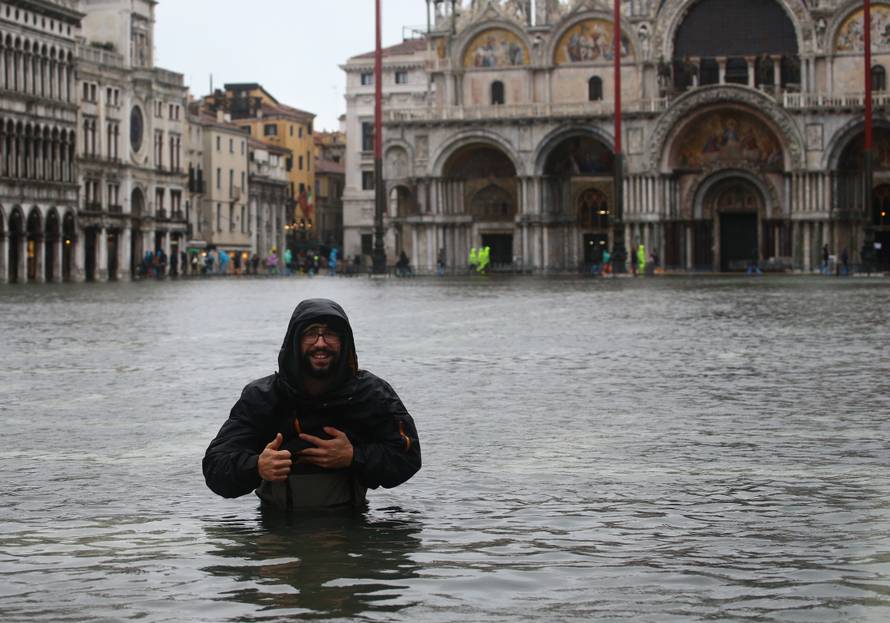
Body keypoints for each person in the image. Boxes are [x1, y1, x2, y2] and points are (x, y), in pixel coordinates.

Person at [203, 299, 422, 510]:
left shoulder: (371, 394)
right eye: (310, 334)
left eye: (330, 334)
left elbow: (408, 457)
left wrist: (353, 456)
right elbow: (214, 466)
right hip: (275, 527)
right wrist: (257, 466)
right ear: (295, 342)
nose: (320, 343)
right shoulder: (262, 397)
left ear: (344, 342)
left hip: (351, 524)